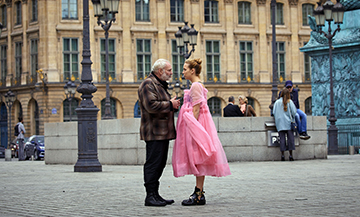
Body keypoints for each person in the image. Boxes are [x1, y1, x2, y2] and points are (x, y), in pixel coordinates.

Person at [172, 59, 231, 206]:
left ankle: (199, 194)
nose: (183, 72)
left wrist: (193, 129)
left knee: (197, 157)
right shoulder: (197, 85)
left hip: (197, 124)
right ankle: (199, 192)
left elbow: (196, 109)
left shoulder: (195, 86)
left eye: (185, 69)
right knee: (199, 159)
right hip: (199, 123)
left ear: (193, 71)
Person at [138, 59, 181, 207]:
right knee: (153, 163)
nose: (171, 73)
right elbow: (151, 105)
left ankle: (155, 194)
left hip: (162, 132)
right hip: (154, 132)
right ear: (160, 71)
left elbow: (160, 104)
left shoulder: (159, 85)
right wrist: (170, 104)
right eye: (168, 70)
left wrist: (172, 105)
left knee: (160, 164)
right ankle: (150, 196)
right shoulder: (148, 84)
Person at [273, 88, 297, 161]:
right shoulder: (290, 102)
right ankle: (290, 155)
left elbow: (274, 112)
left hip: (280, 124)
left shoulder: (277, 102)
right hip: (289, 123)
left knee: (282, 139)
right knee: (290, 139)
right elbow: (294, 112)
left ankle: (282, 155)